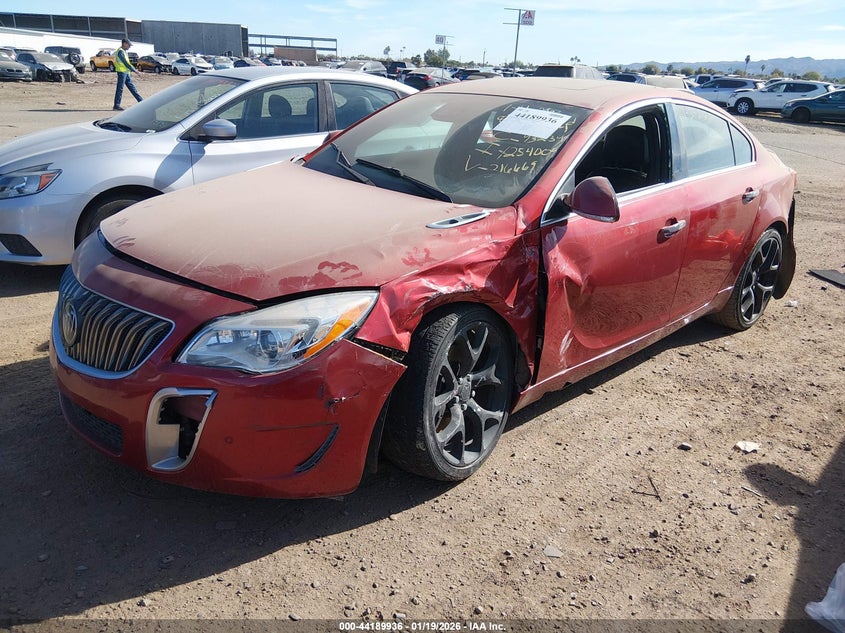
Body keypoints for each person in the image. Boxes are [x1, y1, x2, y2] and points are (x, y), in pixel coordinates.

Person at [113, 39, 142, 111]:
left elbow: (127, 63)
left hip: (126, 72)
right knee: (120, 89)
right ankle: (116, 105)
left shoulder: (124, 52)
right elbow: (126, 63)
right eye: (128, 45)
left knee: (132, 87)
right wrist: (135, 71)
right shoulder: (120, 52)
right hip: (122, 72)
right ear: (124, 44)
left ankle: (141, 101)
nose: (129, 47)